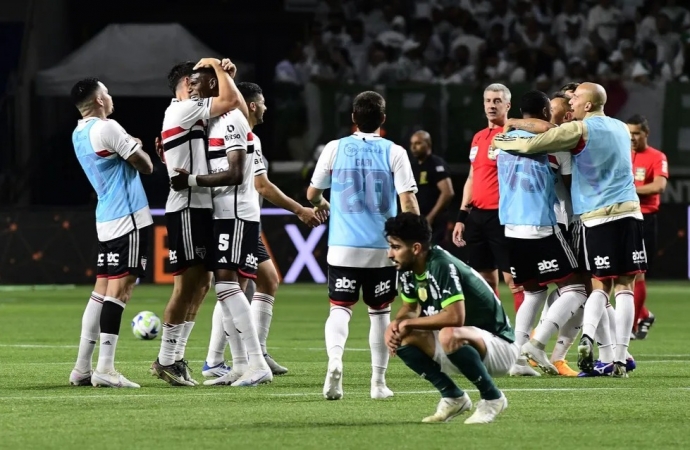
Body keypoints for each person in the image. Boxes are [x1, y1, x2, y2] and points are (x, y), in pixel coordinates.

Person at [492, 82, 647, 378]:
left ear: (586, 106)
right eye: (564, 101)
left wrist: (502, 135)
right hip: (605, 214)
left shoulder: (572, 133)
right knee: (599, 287)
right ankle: (613, 353)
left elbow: (531, 142)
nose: (569, 102)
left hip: (556, 221)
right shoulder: (619, 128)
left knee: (575, 290)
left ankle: (535, 352)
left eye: (574, 98)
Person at [169, 66, 282, 387]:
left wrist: (189, 180)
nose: (192, 90)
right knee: (229, 289)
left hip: (235, 215)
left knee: (229, 287)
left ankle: (255, 362)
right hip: (225, 215)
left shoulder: (232, 121)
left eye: (199, 84)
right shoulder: (214, 122)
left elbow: (234, 174)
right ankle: (240, 363)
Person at [201, 81, 321, 380]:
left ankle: (257, 352)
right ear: (252, 105)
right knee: (234, 288)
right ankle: (220, 360)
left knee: (267, 281)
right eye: (263, 102)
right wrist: (300, 210)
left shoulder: (240, 132)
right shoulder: (241, 132)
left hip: (245, 221)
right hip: (237, 219)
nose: (267, 107)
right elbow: (262, 186)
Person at [307, 91, 420, 400]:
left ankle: (334, 361)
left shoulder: (334, 148)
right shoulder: (394, 152)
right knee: (380, 313)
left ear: (354, 119)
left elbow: (312, 193)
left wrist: (322, 204)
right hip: (383, 249)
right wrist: (416, 240)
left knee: (340, 310)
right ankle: (378, 384)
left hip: (343, 246)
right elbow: (408, 201)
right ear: (383, 120)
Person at [151, 57, 247, 387]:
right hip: (186, 207)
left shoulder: (196, 113)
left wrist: (225, 74)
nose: (206, 88)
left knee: (202, 285)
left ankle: (174, 357)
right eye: (200, 82)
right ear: (187, 85)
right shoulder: (182, 109)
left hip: (202, 207)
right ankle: (166, 359)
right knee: (186, 285)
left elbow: (240, 114)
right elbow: (232, 101)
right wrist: (218, 70)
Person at [384, 212, 515, 424]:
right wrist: (397, 324)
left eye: (396, 247)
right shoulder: (409, 268)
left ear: (416, 248)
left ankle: (493, 398)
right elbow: (409, 307)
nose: (390, 254)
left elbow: (455, 317)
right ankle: (453, 397)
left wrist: (408, 322)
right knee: (403, 335)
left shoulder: (441, 264)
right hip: (467, 342)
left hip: (500, 346)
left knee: (448, 333)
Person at [69, 78, 153, 388]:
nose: (111, 96)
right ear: (100, 101)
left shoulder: (79, 133)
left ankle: (81, 368)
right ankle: (105, 368)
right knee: (121, 290)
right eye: (107, 92)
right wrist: (136, 147)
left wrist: (126, 148)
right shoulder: (109, 127)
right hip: (128, 218)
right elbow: (145, 166)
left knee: (101, 290)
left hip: (105, 218)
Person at [495, 90, 587, 376]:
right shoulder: (553, 143)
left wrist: (511, 123)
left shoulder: (501, 142)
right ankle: (536, 344)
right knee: (576, 289)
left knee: (533, 293)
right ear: (546, 111)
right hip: (541, 225)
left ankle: (517, 361)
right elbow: (572, 187)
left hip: (511, 227)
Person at [451, 84, 524, 314]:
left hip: (503, 217)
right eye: (488, 101)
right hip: (478, 217)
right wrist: (462, 216)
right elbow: (472, 177)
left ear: (508, 105)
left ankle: (524, 337)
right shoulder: (479, 137)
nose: (492, 105)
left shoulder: (514, 137)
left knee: (514, 281)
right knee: (485, 283)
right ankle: (498, 330)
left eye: (497, 101)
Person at [628, 114, 668, 340]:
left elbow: (659, 186)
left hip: (644, 220)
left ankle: (631, 326)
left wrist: (628, 191)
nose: (632, 137)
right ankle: (644, 315)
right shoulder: (622, 153)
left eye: (636, 133)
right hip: (622, 218)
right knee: (617, 275)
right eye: (629, 133)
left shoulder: (656, 156)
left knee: (637, 275)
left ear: (646, 134)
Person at [409, 130, 454, 246]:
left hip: (435, 223)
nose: (414, 147)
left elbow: (447, 192)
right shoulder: (413, 166)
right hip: (418, 223)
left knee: (433, 253)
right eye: (412, 144)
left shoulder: (435, 163)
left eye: (418, 143)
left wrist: (430, 217)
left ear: (428, 144)